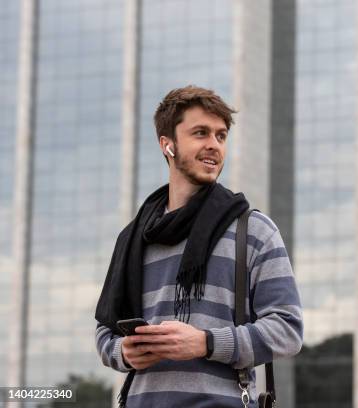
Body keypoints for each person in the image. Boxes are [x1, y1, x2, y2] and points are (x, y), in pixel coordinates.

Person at [94, 85, 303, 407]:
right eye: (201, 133)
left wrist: (205, 342)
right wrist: (123, 351)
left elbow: (287, 330)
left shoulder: (254, 231)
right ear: (168, 145)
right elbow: (105, 331)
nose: (213, 146)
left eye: (221, 136)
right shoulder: (132, 238)